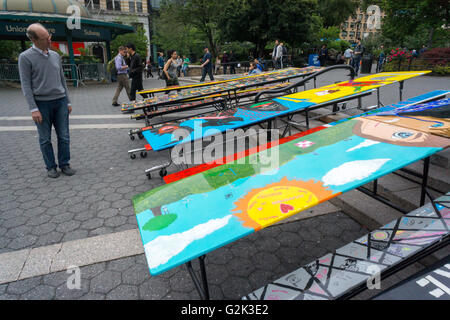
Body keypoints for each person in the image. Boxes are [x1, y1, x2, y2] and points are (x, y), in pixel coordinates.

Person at [18, 23, 76, 178]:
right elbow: (26, 85)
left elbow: (62, 80)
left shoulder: (55, 55)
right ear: (33, 40)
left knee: (64, 136)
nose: (49, 41)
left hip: (61, 101)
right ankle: (50, 167)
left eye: (49, 37)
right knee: (45, 138)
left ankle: (65, 164)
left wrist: (68, 101)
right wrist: (33, 108)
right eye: (45, 39)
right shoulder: (25, 58)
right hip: (41, 104)